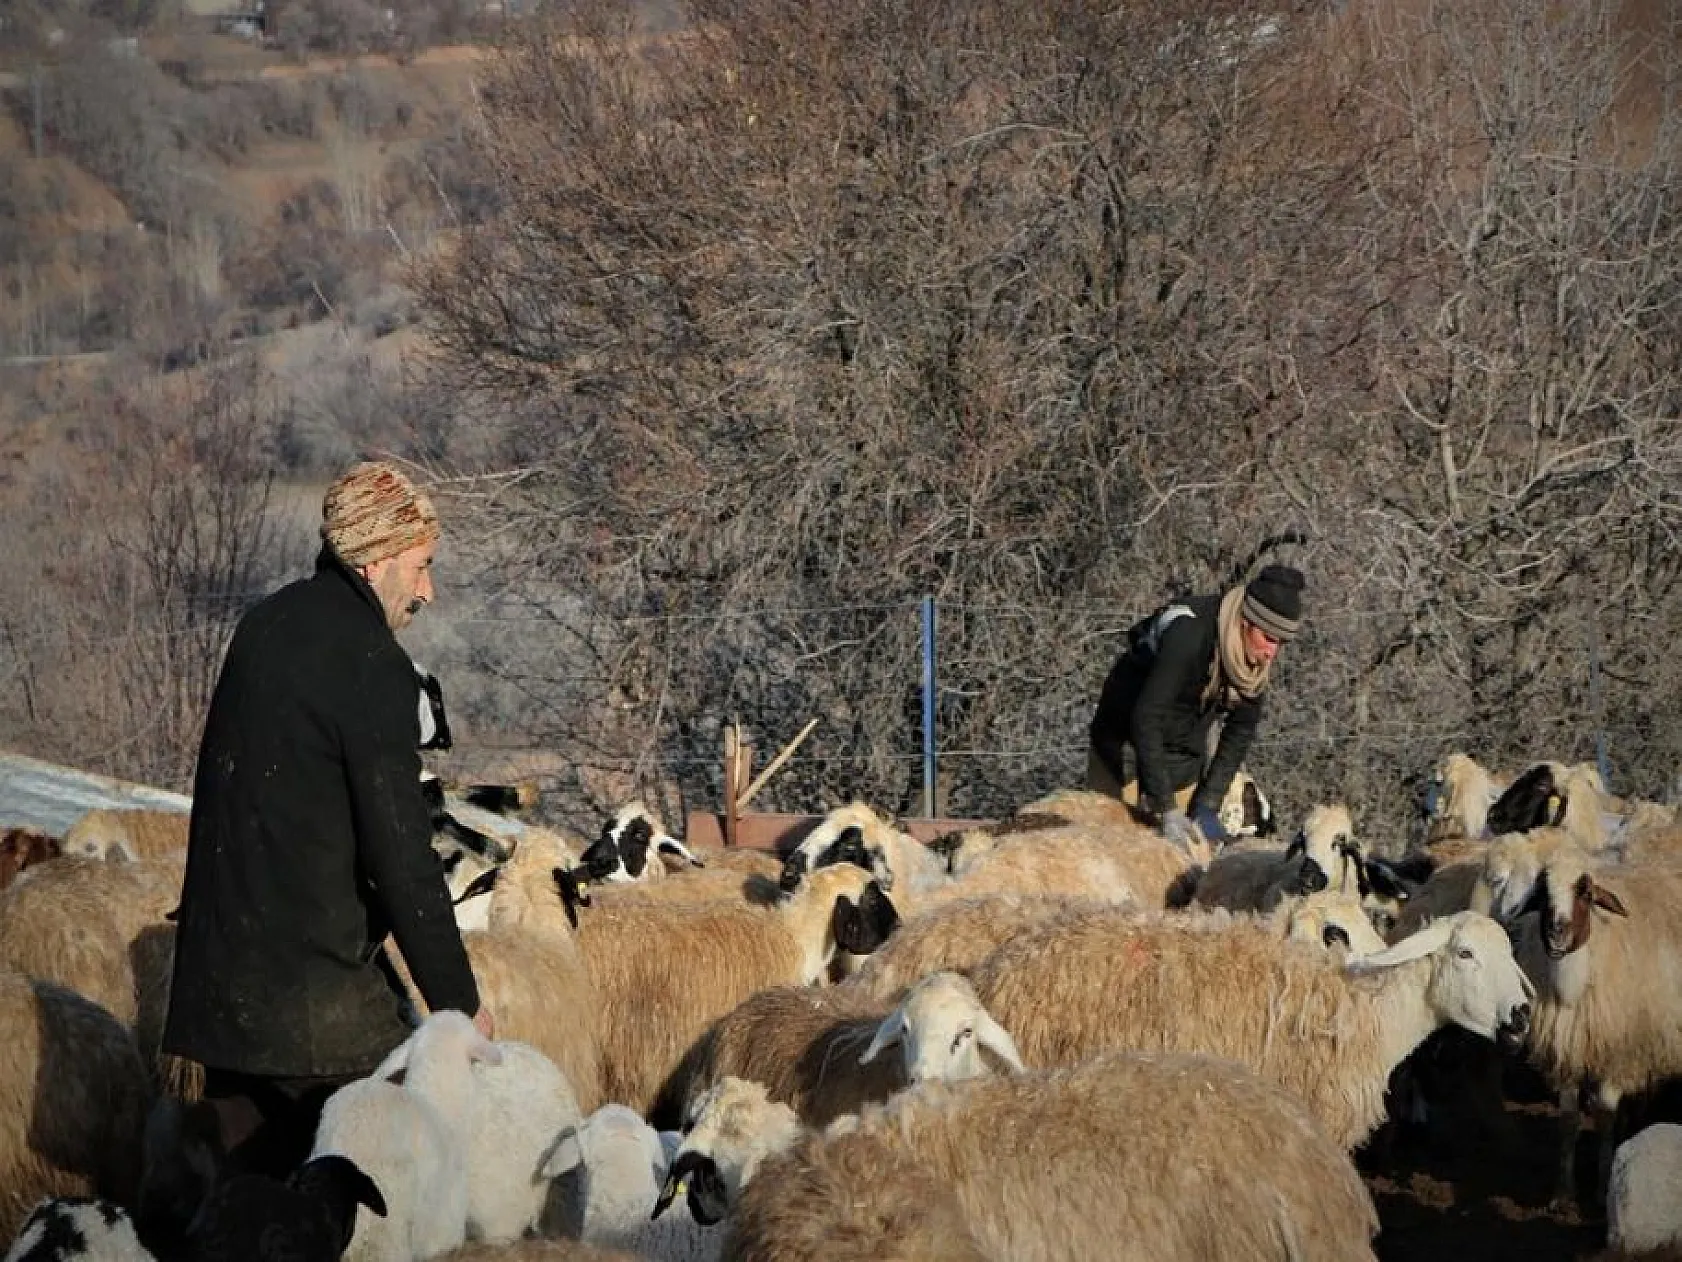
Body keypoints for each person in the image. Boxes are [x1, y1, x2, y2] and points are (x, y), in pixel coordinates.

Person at [162, 460, 493, 1179]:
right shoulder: (372, 663)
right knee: (380, 1189)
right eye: (422, 566)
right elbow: (401, 854)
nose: (428, 590)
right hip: (311, 1009)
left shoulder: (263, 623)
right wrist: (457, 1005)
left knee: (242, 1211)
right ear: (375, 562)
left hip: (223, 997)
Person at [1087, 563, 1305, 850]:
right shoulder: (1188, 634)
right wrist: (1166, 809)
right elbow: (1146, 718)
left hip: (1181, 759)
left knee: (1182, 868)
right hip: (1122, 749)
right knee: (1114, 855)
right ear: (1246, 622)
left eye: (1280, 643)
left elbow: (1239, 734)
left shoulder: (1253, 667)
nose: (1271, 653)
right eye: (1268, 639)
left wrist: (1207, 802)